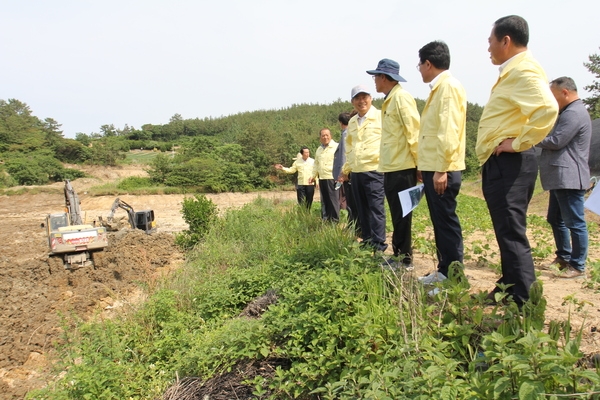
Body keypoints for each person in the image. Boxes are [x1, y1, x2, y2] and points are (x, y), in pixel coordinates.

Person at [476, 15, 558, 305]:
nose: (488, 48)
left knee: (511, 232)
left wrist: (518, 142)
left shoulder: (524, 70)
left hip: (511, 163)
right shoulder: (513, 71)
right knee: (506, 229)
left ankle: (524, 300)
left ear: (506, 41)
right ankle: (510, 286)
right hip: (502, 164)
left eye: (490, 42)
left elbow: (547, 108)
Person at [415, 41, 467, 287]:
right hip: (433, 167)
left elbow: (449, 130)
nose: (419, 69)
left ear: (428, 63)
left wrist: (442, 169)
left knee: (446, 222)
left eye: (420, 64)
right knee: (439, 222)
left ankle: (454, 277)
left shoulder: (448, 87)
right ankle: (445, 270)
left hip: (441, 169)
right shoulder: (438, 88)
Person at [366, 58, 419, 269]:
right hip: (392, 167)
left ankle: (404, 260)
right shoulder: (390, 99)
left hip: (403, 167)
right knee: (397, 214)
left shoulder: (401, 98)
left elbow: (414, 132)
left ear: (384, 77)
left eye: (375, 77)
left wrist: (419, 164)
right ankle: (398, 255)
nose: (374, 81)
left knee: (403, 215)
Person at [537, 77, 592, 278]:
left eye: (553, 95)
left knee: (575, 222)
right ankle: (564, 257)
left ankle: (577, 265)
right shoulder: (569, 112)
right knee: (555, 218)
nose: (552, 100)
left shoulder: (574, 113)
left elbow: (557, 140)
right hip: (561, 177)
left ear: (565, 92)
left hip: (569, 176)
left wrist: (531, 137)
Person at [341, 85, 387, 252]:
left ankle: (379, 245)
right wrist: (346, 169)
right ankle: (367, 241)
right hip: (357, 172)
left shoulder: (381, 116)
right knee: (362, 210)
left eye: (364, 97)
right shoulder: (352, 122)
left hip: (375, 170)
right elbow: (349, 148)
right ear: (352, 102)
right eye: (357, 98)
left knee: (376, 209)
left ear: (371, 98)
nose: (362, 101)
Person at [333, 111, 360, 232]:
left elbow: (345, 155)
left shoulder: (345, 134)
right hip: (350, 172)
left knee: (350, 202)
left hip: (347, 174)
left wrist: (343, 173)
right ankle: (353, 225)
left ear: (340, 123)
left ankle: (352, 226)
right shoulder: (348, 133)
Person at [310, 128, 339, 222]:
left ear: (331, 136)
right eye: (323, 135)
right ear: (320, 138)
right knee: (325, 200)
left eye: (327, 135)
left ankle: (334, 221)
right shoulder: (319, 149)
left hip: (332, 178)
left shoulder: (336, 147)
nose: (325, 137)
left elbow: (340, 162)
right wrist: (313, 176)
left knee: (333, 200)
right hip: (322, 178)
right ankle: (326, 220)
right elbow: (316, 164)